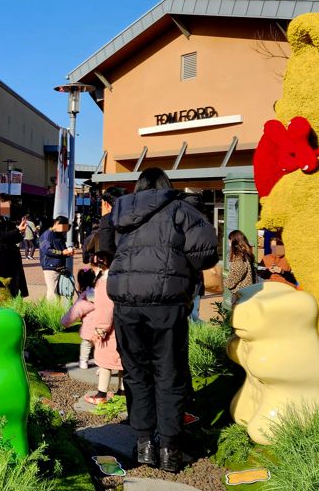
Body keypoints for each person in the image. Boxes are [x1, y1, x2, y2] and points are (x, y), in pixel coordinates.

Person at [108, 167, 218, 473]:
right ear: (166, 185)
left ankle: (144, 444)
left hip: (126, 303)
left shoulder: (121, 211)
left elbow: (103, 246)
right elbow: (206, 253)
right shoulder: (180, 209)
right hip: (166, 303)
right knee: (168, 372)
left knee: (136, 372)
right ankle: (169, 448)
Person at [85, 251, 124, 404]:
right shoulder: (120, 278)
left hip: (108, 331)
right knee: (122, 363)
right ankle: (123, 391)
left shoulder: (103, 283)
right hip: (122, 326)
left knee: (105, 363)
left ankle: (101, 394)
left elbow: (104, 308)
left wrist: (101, 328)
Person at [0, 195, 29, 297]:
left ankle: (14, 302)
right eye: (7, 205)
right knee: (0, 283)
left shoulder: (6, 219)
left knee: (14, 283)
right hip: (0, 255)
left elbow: (14, 238)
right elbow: (0, 235)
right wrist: (17, 230)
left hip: (12, 255)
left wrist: (21, 232)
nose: (9, 207)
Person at [60, 267, 97, 369]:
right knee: (100, 346)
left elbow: (73, 313)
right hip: (103, 326)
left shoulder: (83, 299)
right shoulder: (101, 293)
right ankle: (100, 363)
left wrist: (63, 322)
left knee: (86, 345)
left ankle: (83, 362)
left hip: (89, 328)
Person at [39, 216, 73, 302]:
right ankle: (50, 312)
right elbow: (47, 250)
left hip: (59, 266)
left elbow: (63, 249)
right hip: (50, 266)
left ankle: (53, 311)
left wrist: (67, 252)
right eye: (63, 228)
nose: (64, 231)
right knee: (52, 292)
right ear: (56, 223)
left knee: (57, 292)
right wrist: (62, 253)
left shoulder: (59, 235)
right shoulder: (47, 234)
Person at [224, 229, 257, 309]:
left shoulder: (238, 256)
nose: (228, 242)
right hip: (247, 291)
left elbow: (237, 273)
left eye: (229, 240)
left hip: (240, 293)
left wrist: (226, 283)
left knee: (238, 317)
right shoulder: (246, 253)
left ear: (234, 241)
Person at [97, 187, 127, 256]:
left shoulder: (107, 219)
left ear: (107, 204)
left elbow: (105, 248)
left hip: (118, 261)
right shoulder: (137, 215)